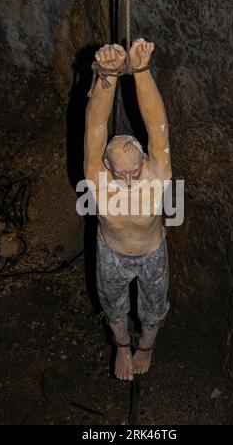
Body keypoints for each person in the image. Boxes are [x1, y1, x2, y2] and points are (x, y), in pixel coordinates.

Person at [84, 38, 172, 382]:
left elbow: (157, 126)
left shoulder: (157, 176)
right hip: (112, 253)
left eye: (134, 171)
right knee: (113, 303)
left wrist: (141, 70)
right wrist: (106, 75)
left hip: (151, 252)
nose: (128, 179)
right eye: (119, 172)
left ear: (145, 162)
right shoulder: (97, 180)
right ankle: (122, 345)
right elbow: (95, 127)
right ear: (106, 166)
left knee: (153, 304)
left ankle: (146, 346)